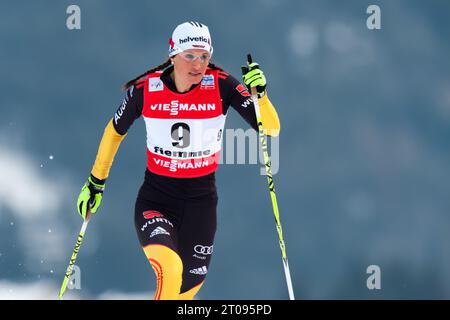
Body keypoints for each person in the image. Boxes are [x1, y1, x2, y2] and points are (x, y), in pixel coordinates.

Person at [76, 21, 280, 300]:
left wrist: (262, 96)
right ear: (173, 55)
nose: (198, 64)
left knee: (183, 295)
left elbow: (270, 128)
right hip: (156, 201)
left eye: (204, 57)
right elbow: (114, 131)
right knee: (170, 269)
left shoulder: (222, 86)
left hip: (201, 206)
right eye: (190, 56)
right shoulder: (146, 90)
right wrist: (95, 182)